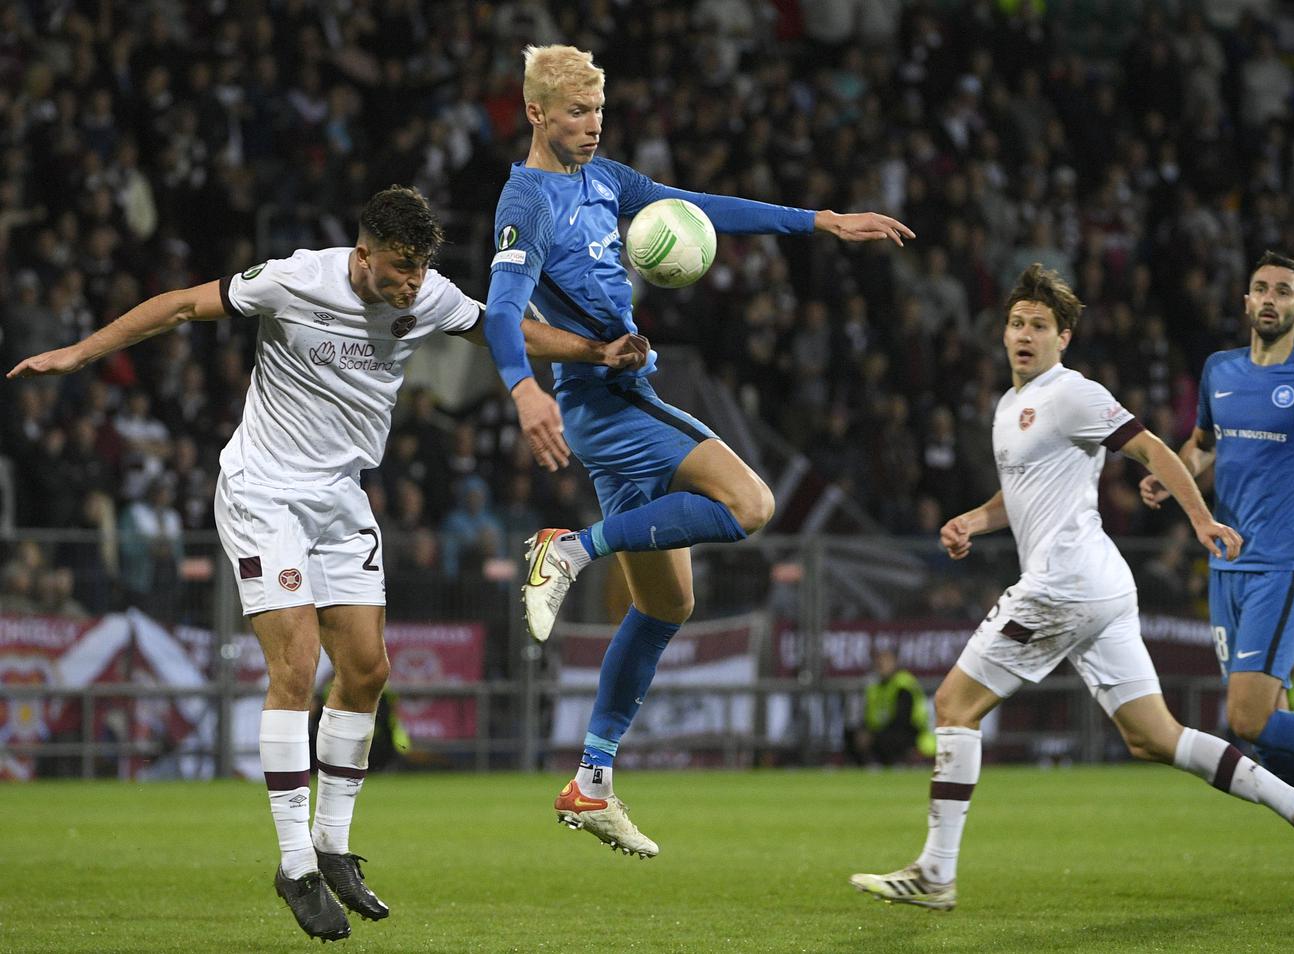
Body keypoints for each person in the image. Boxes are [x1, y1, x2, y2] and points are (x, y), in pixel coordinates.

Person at [7, 186, 648, 941]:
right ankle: (293, 864)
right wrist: (80, 353)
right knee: (296, 664)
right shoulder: (294, 279)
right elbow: (182, 305)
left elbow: (505, 329)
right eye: (401, 267)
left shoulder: (430, 296)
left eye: (421, 269)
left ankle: (333, 847)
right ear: (364, 251)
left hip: (340, 500)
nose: (412, 283)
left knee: (369, 669)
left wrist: (597, 351)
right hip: (263, 493)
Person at [478, 44, 914, 857]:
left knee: (667, 607)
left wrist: (819, 221)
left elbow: (706, 206)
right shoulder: (525, 200)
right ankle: (568, 550)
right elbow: (501, 311)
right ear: (535, 113)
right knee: (752, 505)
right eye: (576, 112)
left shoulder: (607, 182)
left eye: (598, 111)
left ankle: (593, 782)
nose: (592, 125)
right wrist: (522, 388)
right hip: (611, 406)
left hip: (616, 396)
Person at [849, 264, 1294, 910]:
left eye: (1039, 326)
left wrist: (1200, 520)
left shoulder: (1073, 394)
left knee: (952, 706)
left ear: (1064, 339)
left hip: (1066, 584)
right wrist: (975, 519)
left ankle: (936, 873)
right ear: (1002, 334)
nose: (1024, 335)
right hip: (1101, 589)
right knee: (1155, 737)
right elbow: (1023, 490)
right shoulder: (1010, 408)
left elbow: (1155, 451)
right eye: (1016, 323)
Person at [1139, 251, 1294, 798]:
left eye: (1284, 291)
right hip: (1224, 567)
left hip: (1280, 568)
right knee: (1263, 737)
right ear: (1245, 301)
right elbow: (1204, 447)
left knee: (1245, 720)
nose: (1270, 298)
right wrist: (1175, 476)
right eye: (1261, 288)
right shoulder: (1220, 369)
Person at [845, 648, 935, 767]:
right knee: (851, 734)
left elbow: (902, 720)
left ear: (895, 663)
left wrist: (873, 735)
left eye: (886, 661)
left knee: (887, 738)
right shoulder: (874, 687)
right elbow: (868, 715)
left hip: (912, 733)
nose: (881, 664)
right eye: (879, 661)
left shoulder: (903, 685)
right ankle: (861, 768)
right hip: (882, 730)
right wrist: (864, 730)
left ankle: (896, 762)